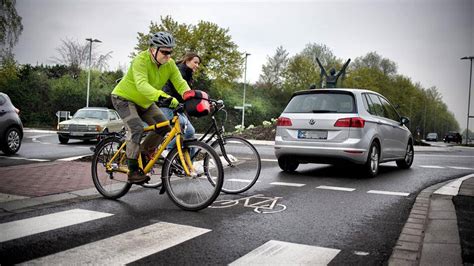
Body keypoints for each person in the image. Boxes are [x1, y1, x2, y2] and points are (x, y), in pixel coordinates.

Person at [110, 32, 192, 183]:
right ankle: (133, 170)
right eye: (164, 52)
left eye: (170, 52)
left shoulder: (170, 64)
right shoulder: (140, 60)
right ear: (153, 49)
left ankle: (142, 152)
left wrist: (189, 95)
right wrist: (162, 97)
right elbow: (142, 85)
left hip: (145, 102)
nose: (168, 56)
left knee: (164, 127)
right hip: (124, 98)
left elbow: (179, 82)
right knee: (136, 128)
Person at [159, 52, 201, 149]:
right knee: (180, 126)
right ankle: (167, 150)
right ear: (187, 61)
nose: (197, 65)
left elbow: (188, 93)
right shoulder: (179, 72)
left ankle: (189, 164)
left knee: (190, 132)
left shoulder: (188, 74)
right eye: (195, 62)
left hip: (177, 107)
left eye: (198, 63)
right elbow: (180, 92)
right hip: (167, 105)